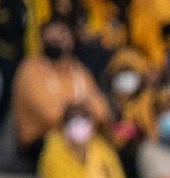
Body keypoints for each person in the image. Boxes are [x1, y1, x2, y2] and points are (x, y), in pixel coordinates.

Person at [11, 15, 104, 160]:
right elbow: (50, 115)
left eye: (61, 35)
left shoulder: (78, 70)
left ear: (71, 39)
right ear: (42, 40)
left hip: (80, 136)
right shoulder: (31, 69)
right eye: (51, 37)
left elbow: (101, 109)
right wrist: (83, 109)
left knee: (105, 149)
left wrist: (80, 112)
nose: (56, 40)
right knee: (60, 145)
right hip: (41, 142)